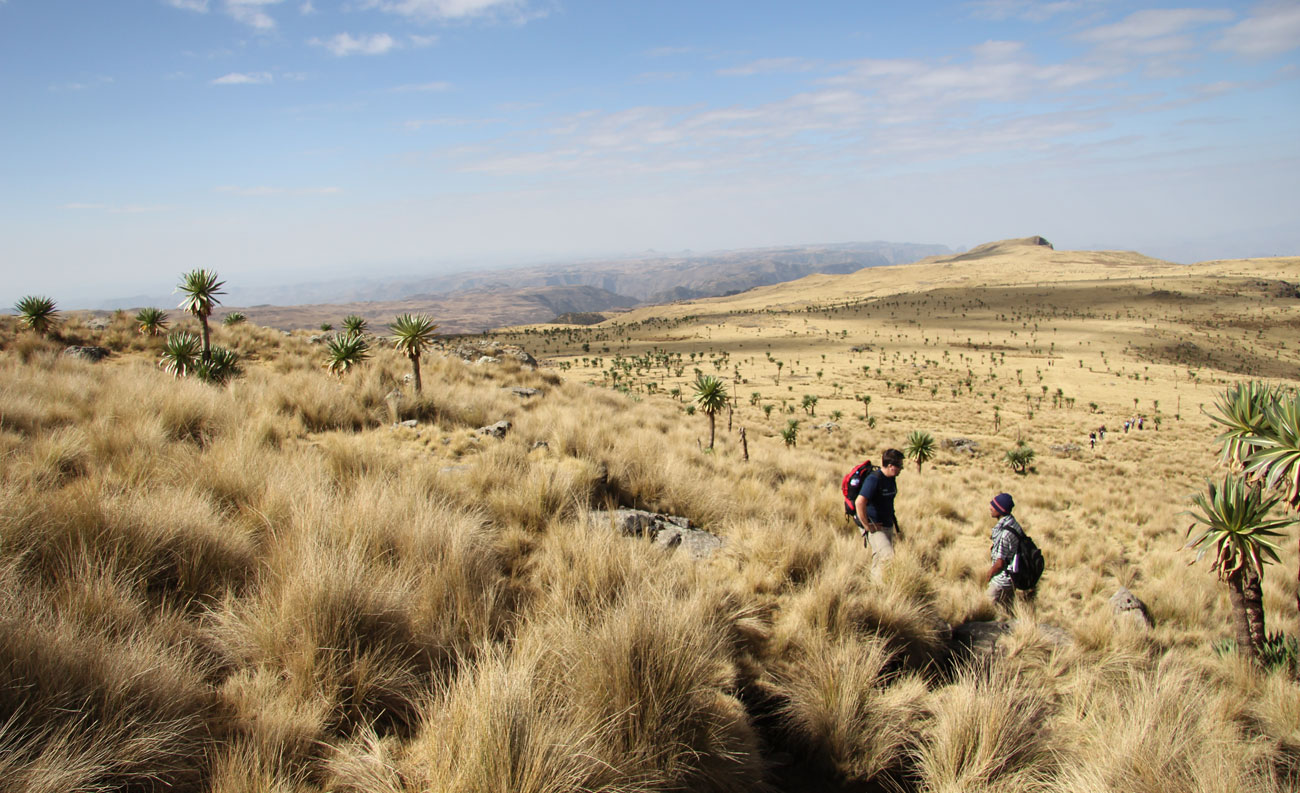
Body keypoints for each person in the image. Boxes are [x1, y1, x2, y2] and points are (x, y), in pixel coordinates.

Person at [854, 448, 904, 575]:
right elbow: (859, 502)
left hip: (886, 525)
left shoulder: (891, 479)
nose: (901, 468)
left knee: (879, 558)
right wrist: (867, 526)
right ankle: (881, 587)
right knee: (888, 556)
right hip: (874, 526)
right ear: (891, 466)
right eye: (900, 465)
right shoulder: (874, 479)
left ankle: (875, 588)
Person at [985, 492, 1033, 612]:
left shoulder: (1005, 534)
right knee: (1007, 611)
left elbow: (1000, 563)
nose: (990, 508)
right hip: (1011, 578)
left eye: (994, 506)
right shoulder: (1013, 523)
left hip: (1001, 581)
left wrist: (989, 575)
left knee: (987, 608)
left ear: (1001, 510)